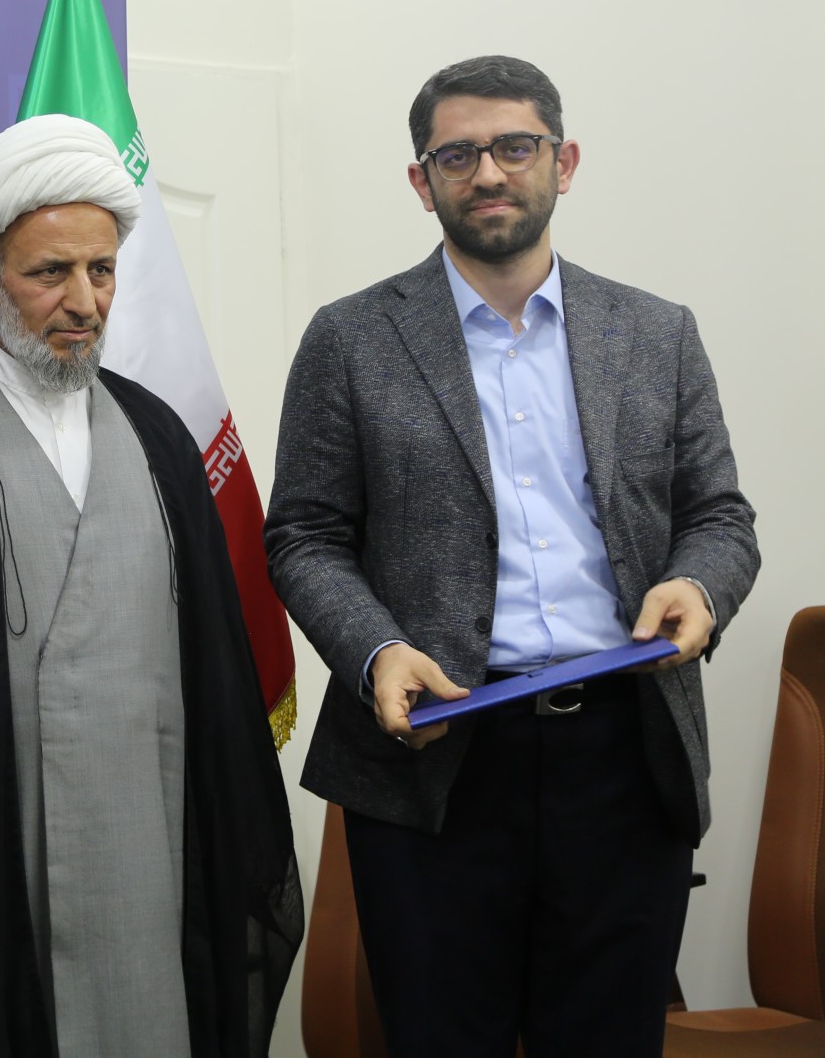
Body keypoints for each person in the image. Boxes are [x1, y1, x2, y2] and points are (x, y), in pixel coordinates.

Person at [264, 55, 760, 1056]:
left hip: (625, 756)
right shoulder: (350, 339)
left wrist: (696, 586)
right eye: (457, 155)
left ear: (562, 163)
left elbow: (719, 515)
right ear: (422, 181)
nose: (487, 171)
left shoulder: (655, 333)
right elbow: (303, 535)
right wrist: (373, 652)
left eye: (514, 147)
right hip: (438, 759)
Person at [0, 114, 302, 1058]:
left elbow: (216, 676)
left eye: (102, 270)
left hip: (151, 847)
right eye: (51, 273)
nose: (84, 301)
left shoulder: (159, 435)